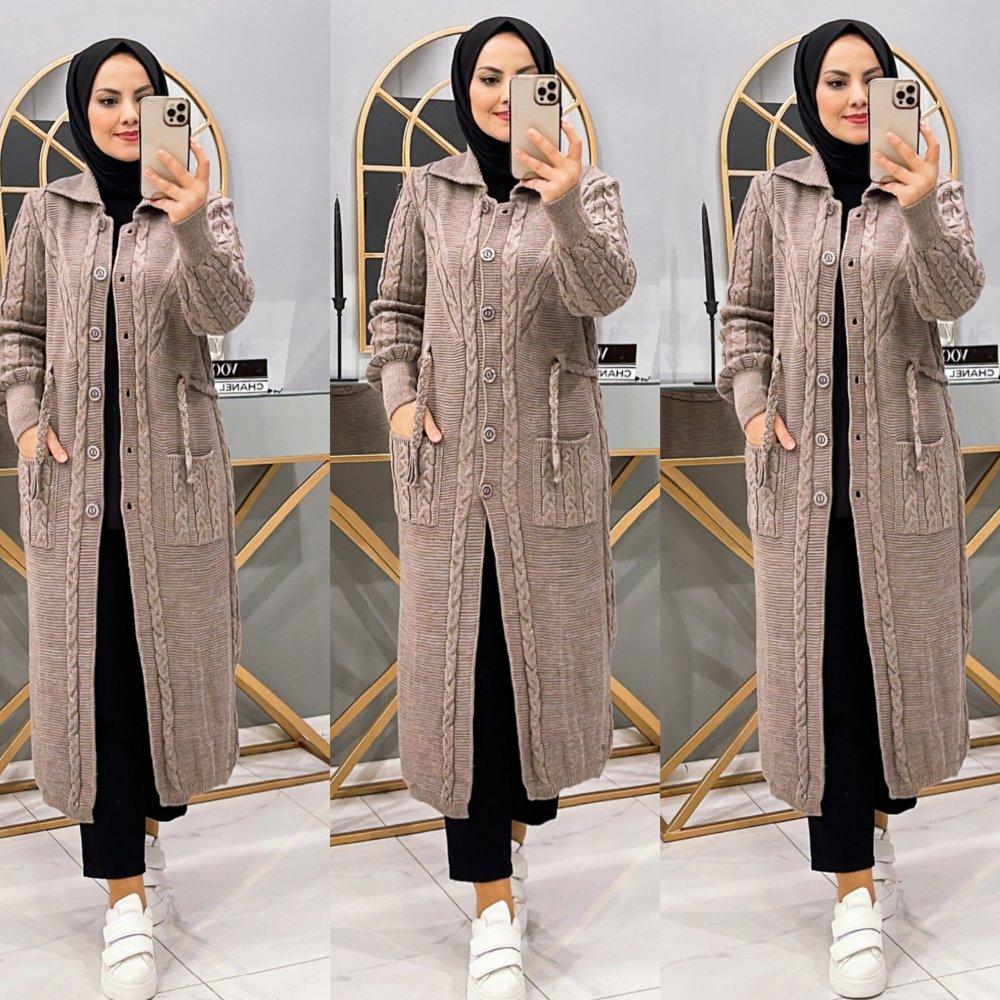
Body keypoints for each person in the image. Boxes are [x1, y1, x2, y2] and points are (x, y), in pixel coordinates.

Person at [365, 15, 636, 1000]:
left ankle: (511, 852)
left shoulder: (586, 187)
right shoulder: (426, 192)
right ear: (462, 87)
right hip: (446, 481)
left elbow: (604, 291)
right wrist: (402, 400)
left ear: (549, 91)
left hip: (546, 480)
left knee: (534, 687)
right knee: (464, 687)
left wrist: (562, 203)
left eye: (527, 77)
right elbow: (394, 312)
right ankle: (488, 909)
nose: (504, 93)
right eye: (488, 75)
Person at [717, 19, 984, 998]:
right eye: (836, 80)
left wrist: (921, 210)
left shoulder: (928, 186)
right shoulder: (773, 197)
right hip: (800, 482)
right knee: (823, 678)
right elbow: (744, 318)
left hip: (900, 478)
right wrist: (754, 411)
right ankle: (852, 894)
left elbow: (953, 297)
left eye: (874, 79)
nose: (857, 96)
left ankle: (874, 833)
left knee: (887, 673)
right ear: (808, 92)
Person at [0, 37, 254, 999]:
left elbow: (222, 311)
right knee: (95, 682)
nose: (123, 115)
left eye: (142, 98)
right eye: (106, 98)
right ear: (80, 110)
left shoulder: (198, 203)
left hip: (171, 488)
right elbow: (17, 332)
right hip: (72, 493)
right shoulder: (46, 213)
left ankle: (146, 842)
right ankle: (122, 901)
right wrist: (27, 421)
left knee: (160, 676)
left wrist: (190, 224)